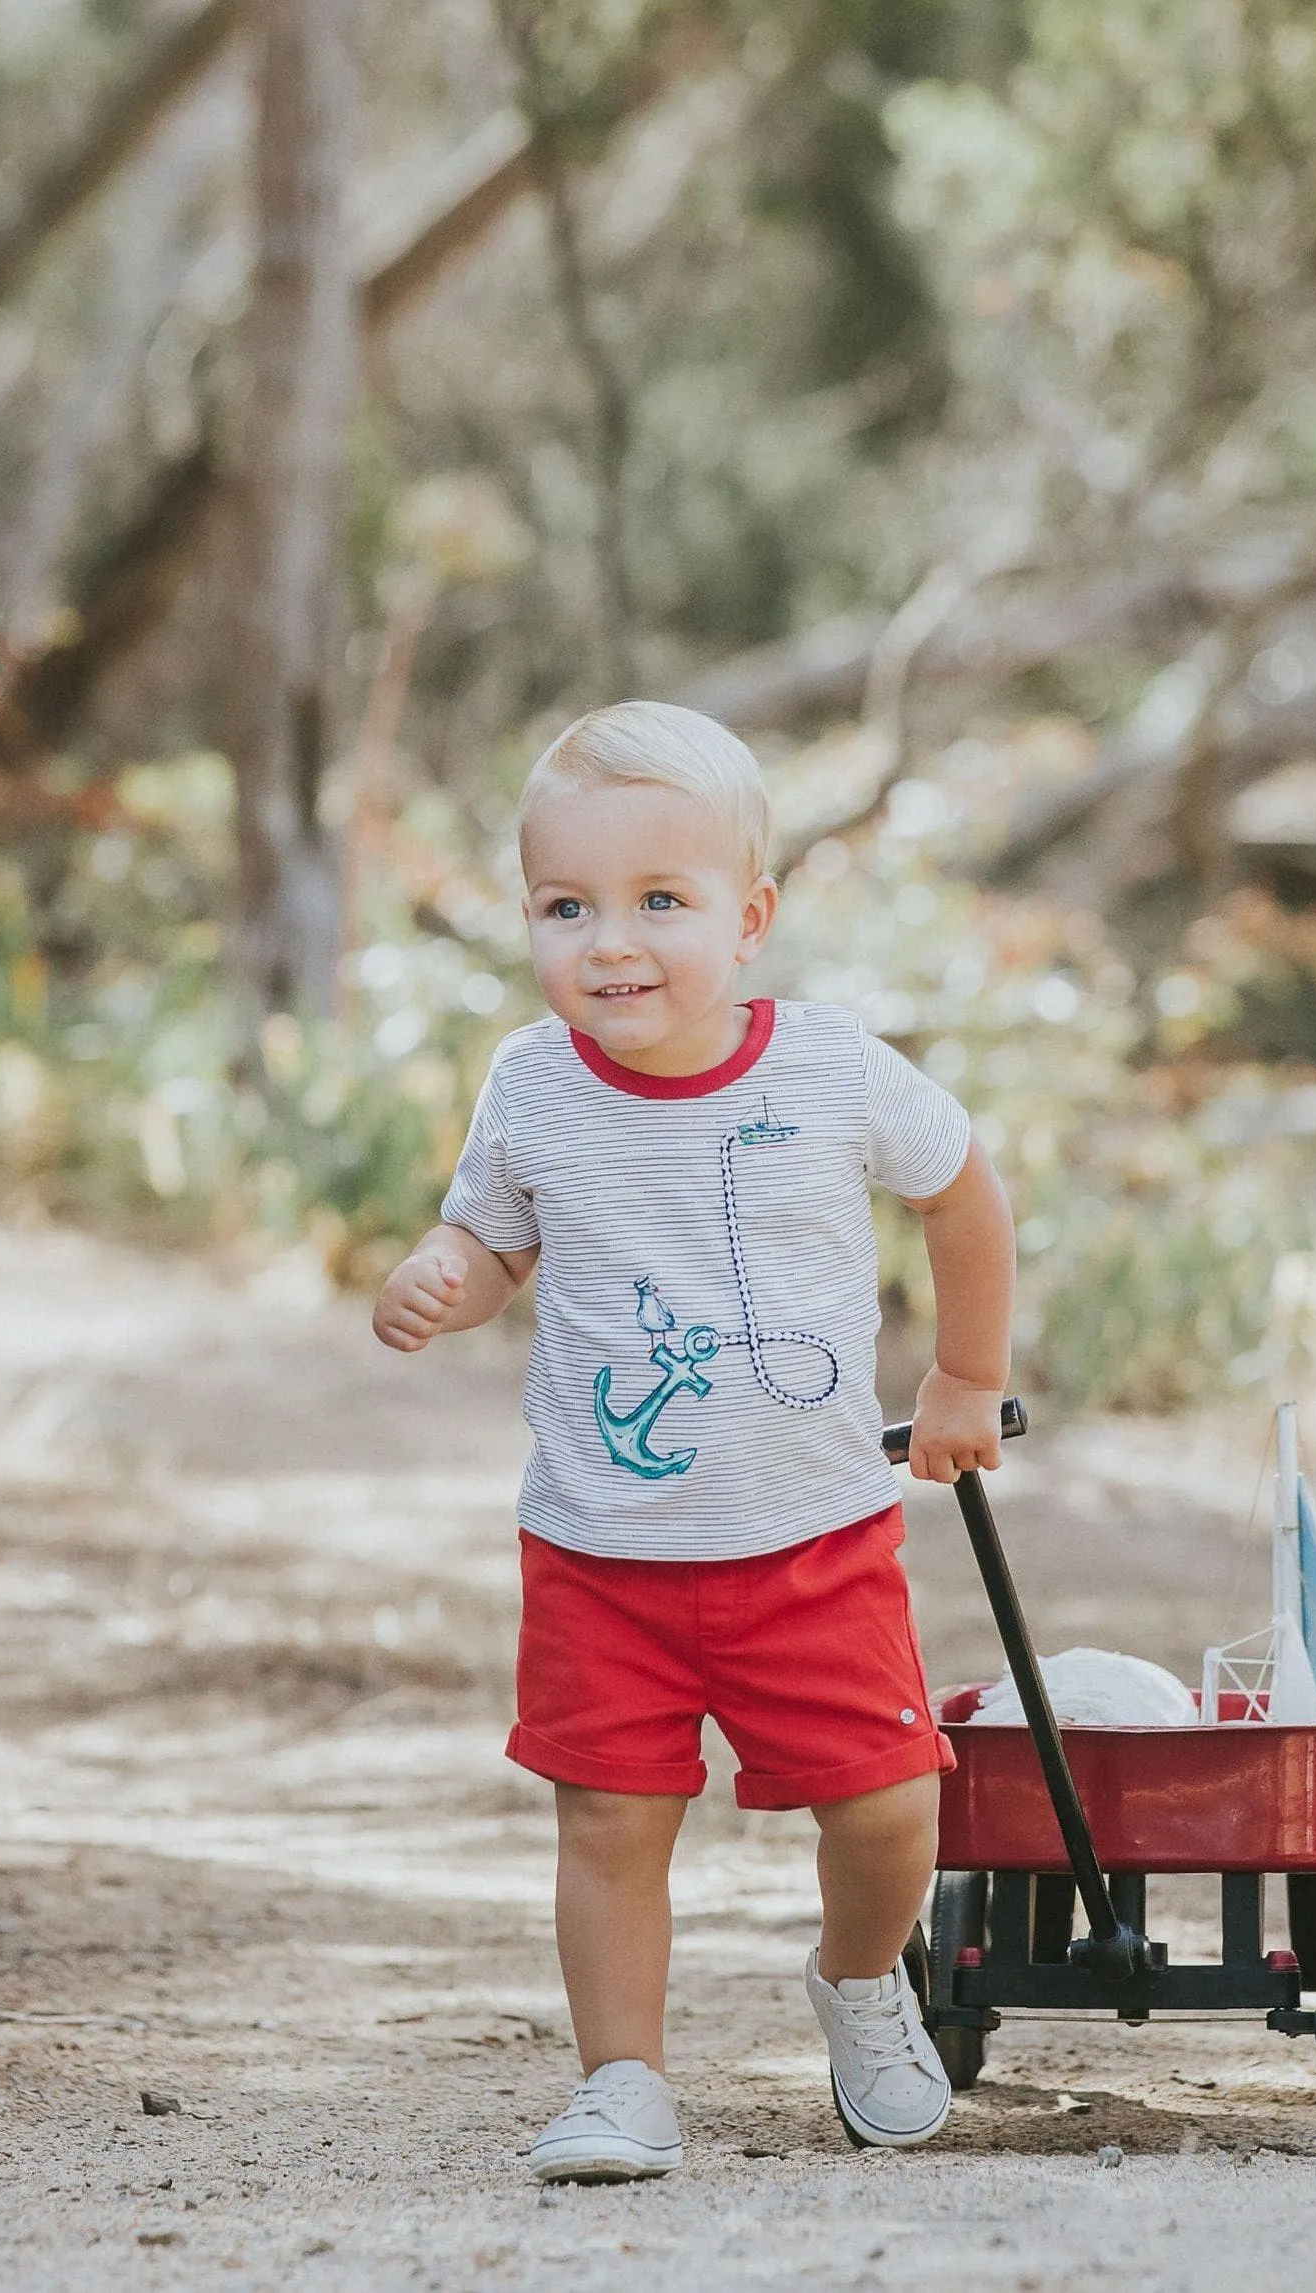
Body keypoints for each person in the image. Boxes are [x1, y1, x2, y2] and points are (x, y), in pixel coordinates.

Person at [372, 701, 1016, 2182]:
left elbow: (964, 1190)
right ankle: (623, 2083)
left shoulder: (830, 1070)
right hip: (606, 1548)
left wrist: (968, 1376)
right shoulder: (534, 1083)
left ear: (751, 916)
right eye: (567, 906)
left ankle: (861, 1980)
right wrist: (442, 1281)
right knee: (608, 1820)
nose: (613, 942)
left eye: (662, 902)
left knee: (890, 1805)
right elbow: (493, 1240)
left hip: (813, 1539)